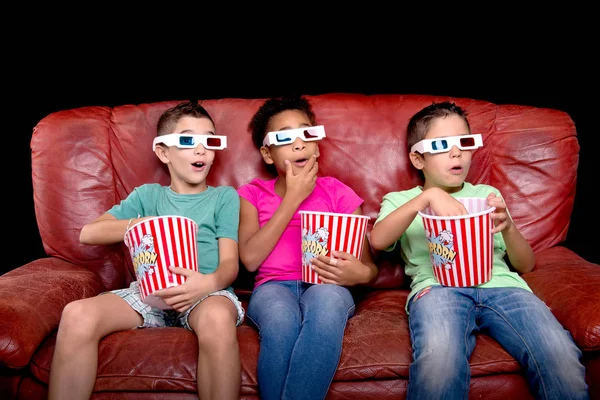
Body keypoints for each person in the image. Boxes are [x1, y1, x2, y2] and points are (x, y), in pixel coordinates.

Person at [369, 101, 589, 400]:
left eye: (465, 143)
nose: (456, 152)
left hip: (502, 287)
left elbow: (525, 264)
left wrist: (508, 227)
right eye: (443, 144)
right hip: (438, 289)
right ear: (418, 159)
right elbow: (378, 241)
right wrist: (428, 197)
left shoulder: (487, 195)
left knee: (558, 352)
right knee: (440, 360)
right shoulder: (401, 200)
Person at [48, 101, 245, 400]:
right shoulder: (148, 195)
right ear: (164, 151)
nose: (202, 149)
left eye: (210, 140)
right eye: (189, 140)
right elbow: (90, 233)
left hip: (205, 293)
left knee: (218, 317)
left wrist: (205, 284)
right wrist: (147, 222)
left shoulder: (223, 198)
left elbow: (230, 264)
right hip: (148, 294)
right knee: (77, 314)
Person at [237, 95, 378, 400]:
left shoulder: (338, 193)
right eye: (285, 138)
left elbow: (369, 270)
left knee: (327, 308)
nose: (299, 144)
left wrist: (358, 273)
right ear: (267, 153)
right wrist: (293, 199)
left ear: (316, 144)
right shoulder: (251, 194)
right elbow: (249, 259)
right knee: (281, 321)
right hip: (273, 286)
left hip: (327, 285)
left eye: (307, 134)